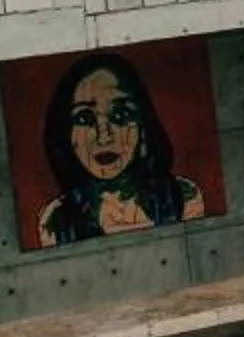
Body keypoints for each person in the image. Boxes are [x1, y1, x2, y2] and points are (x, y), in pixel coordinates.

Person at [36, 53, 205, 245]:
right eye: (84, 119)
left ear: (142, 128)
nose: (104, 136)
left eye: (121, 114)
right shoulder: (56, 222)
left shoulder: (182, 198)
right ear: (66, 134)